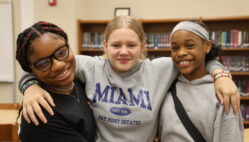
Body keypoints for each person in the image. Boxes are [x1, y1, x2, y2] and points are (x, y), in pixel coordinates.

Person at [18, 16, 240, 142]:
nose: (123, 52)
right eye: (115, 45)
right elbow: (44, 64)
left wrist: (220, 74)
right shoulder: (90, 66)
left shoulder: (161, 69)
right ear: (105, 46)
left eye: (131, 45)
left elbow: (195, 59)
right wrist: (30, 86)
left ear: (143, 46)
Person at [158, 20, 244, 142]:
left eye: (190, 45)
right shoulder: (166, 86)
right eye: (175, 48)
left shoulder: (223, 93)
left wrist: (221, 75)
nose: (181, 53)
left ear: (207, 46)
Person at [16, 21, 96, 142]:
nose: (58, 65)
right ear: (30, 69)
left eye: (62, 52)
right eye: (43, 63)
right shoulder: (41, 114)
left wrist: (29, 85)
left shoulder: (80, 80)